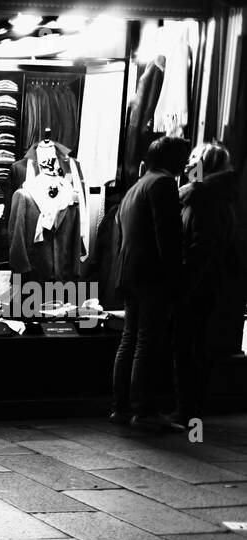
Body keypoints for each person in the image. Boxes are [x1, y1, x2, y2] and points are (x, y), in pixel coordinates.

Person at [112, 135, 190, 430]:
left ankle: (120, 407)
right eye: (182, 157)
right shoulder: (164, 184)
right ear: (171, 159)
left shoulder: (136, 187)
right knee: (147, 341)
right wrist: (176, 277)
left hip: (130, 273)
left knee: (129, 339)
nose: (186, 163)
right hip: (152, 275)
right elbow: (167, 236)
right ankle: (143, 411)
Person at [173, 142, 239, 427]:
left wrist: (185, 285)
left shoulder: (202, 197)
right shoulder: (215, 197)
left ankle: (187, 410)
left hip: (197, 285)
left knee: (187, 347)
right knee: (194, 346)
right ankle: (191, 407)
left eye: (193, 161)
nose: (188, 166)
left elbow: (201, 247)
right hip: (207, 284)